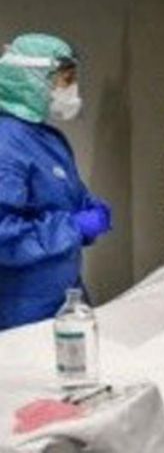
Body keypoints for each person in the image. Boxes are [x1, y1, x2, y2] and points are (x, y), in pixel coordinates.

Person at [0, 33, 112, 331]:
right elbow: (3, 237)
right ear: (33, 80)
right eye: (67, 80)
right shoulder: (6, 143)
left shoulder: (50, 139)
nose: (72, 89)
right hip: (18, 310)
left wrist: (91, 211)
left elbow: (67, 199)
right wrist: (74, 227)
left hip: (64, 299)